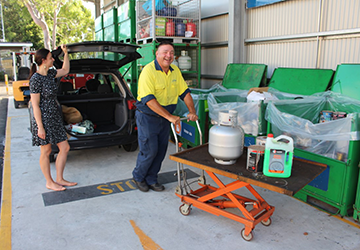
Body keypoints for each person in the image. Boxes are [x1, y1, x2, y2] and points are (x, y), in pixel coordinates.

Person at [132, 41, 198, 192]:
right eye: (165, 52)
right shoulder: (148, 71)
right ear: (157, 54)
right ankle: (138, 176)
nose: (168, 56)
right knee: (150, 150)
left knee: (161, 150)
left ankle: (151, 178)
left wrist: (192, 111)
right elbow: (149, 100)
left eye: (171, 53)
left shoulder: (175, 71)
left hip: (165, 117)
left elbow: (185, 93)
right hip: (148, 116)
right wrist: (170, 117)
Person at [29, 45, 77, 191]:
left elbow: (65, 70)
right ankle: (49, 182)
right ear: (43, 60)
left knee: (65, 147)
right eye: (51, 58)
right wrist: (40, 127)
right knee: (46, 151)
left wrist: (66, 54)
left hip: (55, 117)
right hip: (43, 119)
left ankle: (60, 178)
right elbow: (35, 105)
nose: (53, 60)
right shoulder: (35, 79)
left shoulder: (50, 74)